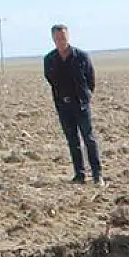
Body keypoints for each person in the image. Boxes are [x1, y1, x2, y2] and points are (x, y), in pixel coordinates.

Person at [43, 24, 104, 185]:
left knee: (88, 138)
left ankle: (97, 175)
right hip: (63, 105)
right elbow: (51, 80)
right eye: (57, 38)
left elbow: (91, 79)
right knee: (72, 140)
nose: (60, 41)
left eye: (63, 37)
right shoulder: (49, 60)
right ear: (53, 39)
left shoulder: (81, 56)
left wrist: (86, 96)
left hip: (81, 105)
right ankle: (79, 174)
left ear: (68, 37)